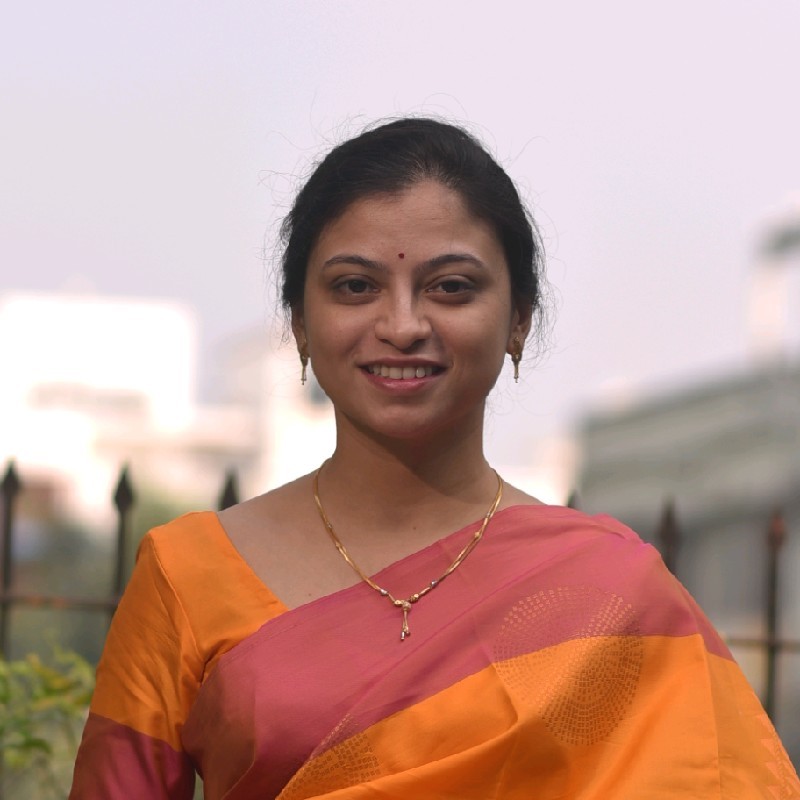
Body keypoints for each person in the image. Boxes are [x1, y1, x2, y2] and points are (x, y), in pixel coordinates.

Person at [69, 118, 799, 799]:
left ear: (518, 320)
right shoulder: (188, 576)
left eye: (451, 287)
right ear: (299, 323)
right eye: (355, 286)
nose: (402, 325)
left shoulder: (615, 591)